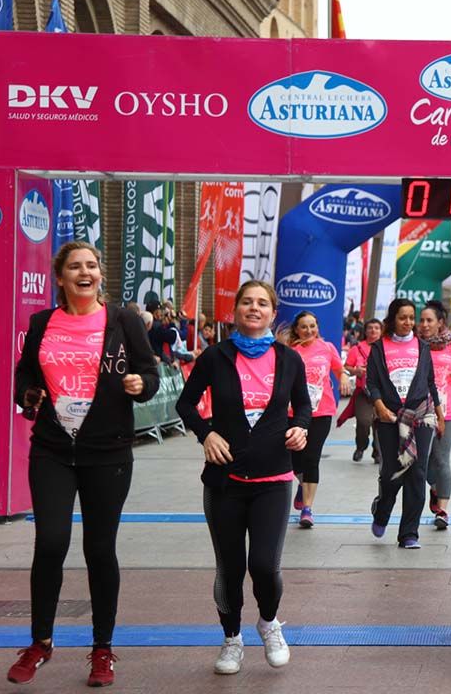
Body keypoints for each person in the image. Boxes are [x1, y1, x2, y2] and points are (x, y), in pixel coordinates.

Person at [10, 242, 159, 687]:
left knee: (99, 550)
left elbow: (151, 371)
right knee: (51, 542)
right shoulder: (42, 323)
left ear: (100, 275)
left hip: (107, 451)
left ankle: (102, 649)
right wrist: (27, 395)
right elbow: (25, 374)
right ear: (60, 278)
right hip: (52, 448)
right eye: (75, 266)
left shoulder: (123, 320)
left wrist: (141, 384)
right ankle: (40, 643)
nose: (84, 271)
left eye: (92, 264)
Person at [175, 280, 311, 675]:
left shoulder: (289, 359)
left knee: (265, 565)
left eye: (262, 303)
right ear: (235, 310)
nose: (254, 308)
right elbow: (186, 403)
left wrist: (300, 426)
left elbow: (303, 404)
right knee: (230, 568)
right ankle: (232, 638)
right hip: (224, 482)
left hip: (273, 479)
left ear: (272, 312)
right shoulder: (216, 357)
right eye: (247, 302)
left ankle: (268, 622)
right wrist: (207, 433)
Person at [366, 298, 444, 548]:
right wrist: (380, 407)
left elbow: (430, 382)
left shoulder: (422, 347)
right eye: (403, 318)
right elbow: (372, 383)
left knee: (416, 472)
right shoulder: (379, 348)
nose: (409, 322)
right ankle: (382, 511)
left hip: (421, 416)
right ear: (393, 319)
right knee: (393, 472)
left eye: (412, 317)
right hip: (389, 417)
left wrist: (440, 414)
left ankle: (409, 533)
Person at [286, 311, 353, 529]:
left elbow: (338, 369)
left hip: (322, 410)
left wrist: (343, 377)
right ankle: (302, 483)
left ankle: (307, 508)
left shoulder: (327, 348)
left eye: (312, 326)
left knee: (312, 458)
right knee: (295, 459)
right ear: (296, 329)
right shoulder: (289, 351)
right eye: (304, 327)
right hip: (293, 412)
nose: (309, 331)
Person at [419, 300, 451, 530]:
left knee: (441, 458)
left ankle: (443, 510)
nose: (424, 324)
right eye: (422, 320)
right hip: (421, 411)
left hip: (447, 411)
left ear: (440, 323)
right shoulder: (417, 345)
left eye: (429, 320)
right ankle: (435, 487)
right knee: (422, 460)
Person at [342, 318, 383, 463]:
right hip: (363, 393)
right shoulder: (357, 348)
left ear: (381, 330)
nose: (373, 330)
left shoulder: (386, 347)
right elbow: (346, 367)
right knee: (364, 421)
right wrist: (355, 370)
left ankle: (378, 451)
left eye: (377, 328)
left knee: (381, 423)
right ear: (365, 331)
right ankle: (361, 446)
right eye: (370, 328)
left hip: (383, 393)